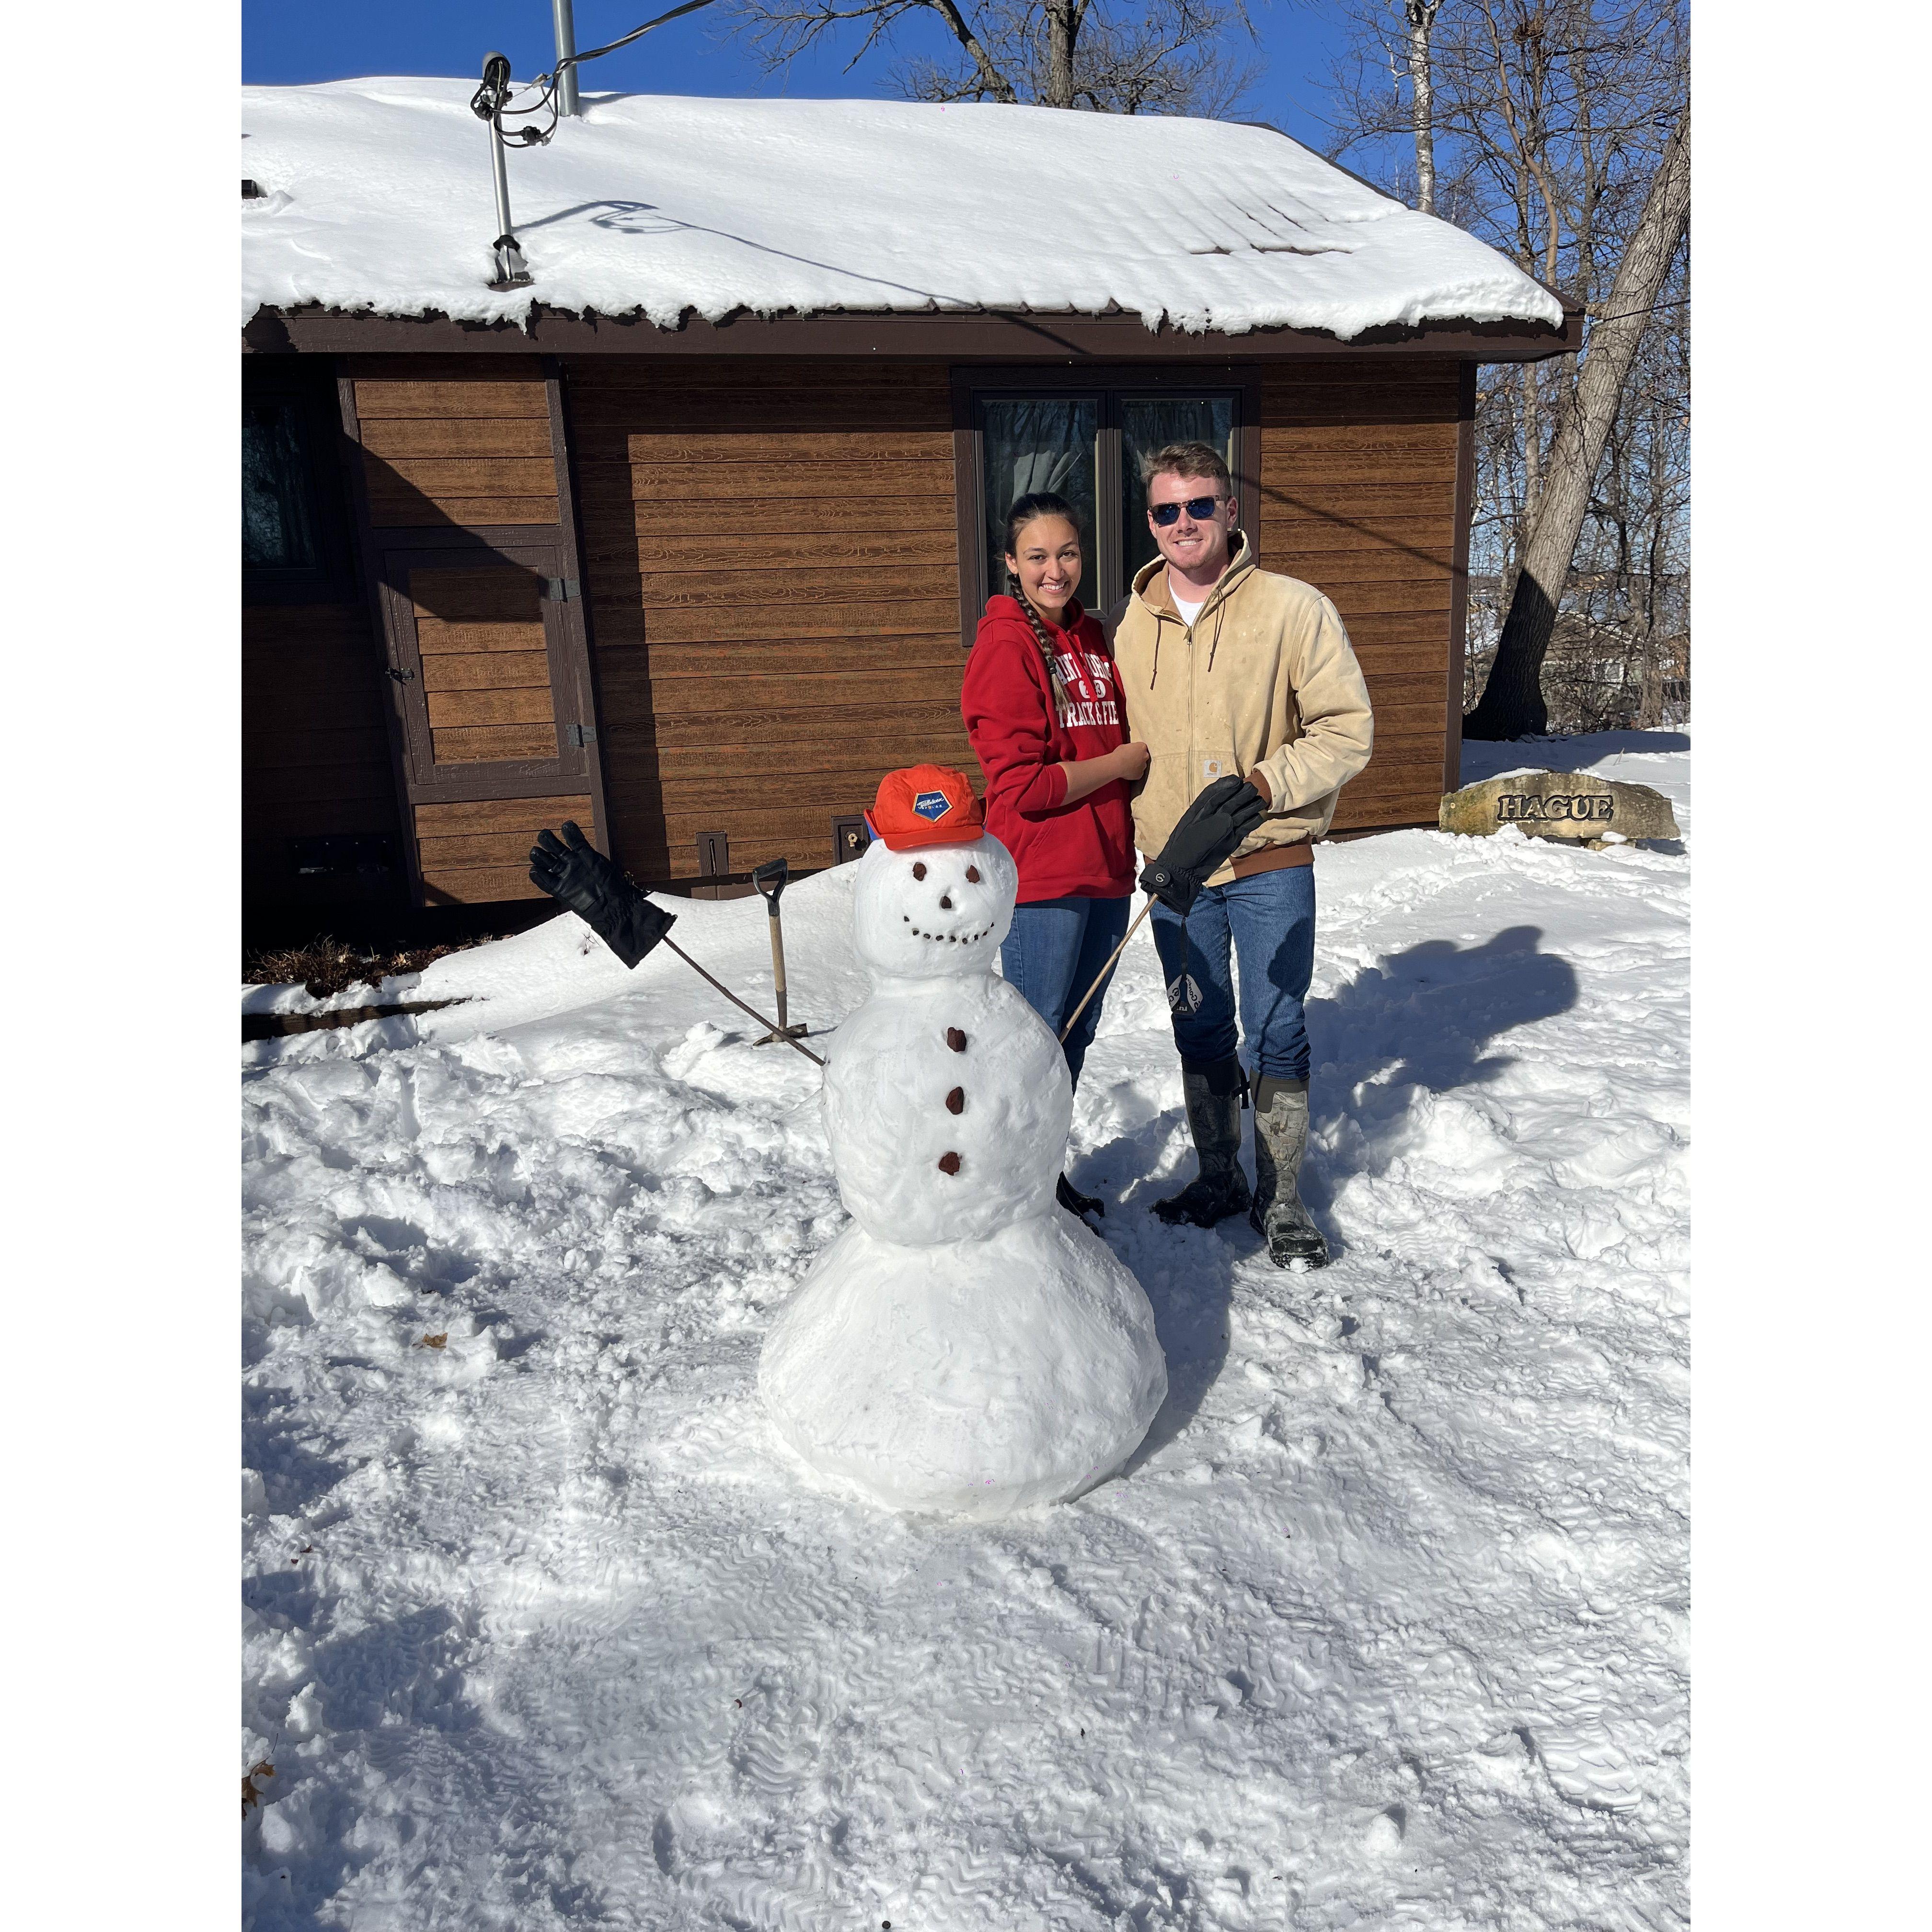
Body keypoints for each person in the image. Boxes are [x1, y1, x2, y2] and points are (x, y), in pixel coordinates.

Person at [1112, 441, 1374, 1269]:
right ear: (1150, 522)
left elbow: (1347, 729)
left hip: (1269, 862)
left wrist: (1265, 784)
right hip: (1177, 873)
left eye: (1200, 506)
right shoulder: (1131, 624)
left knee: (1279, 1032)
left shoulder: (1293, 608)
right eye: (1167, 510)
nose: (1184, 523)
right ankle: (1220, 1176)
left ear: (1230, 511)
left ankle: (1283, 1197)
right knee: (1199, 1028)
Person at [961, 491, 1150, 1223]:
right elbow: (1024, 785)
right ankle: (1011, 1182)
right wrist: (1119, 764)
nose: (1055, 569)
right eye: (1037, 556)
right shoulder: (1005, 645)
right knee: (1037, 1037)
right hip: (1044, 876)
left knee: (1073, 1036)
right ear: (1011, 564)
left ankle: (1040, 1168)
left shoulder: (1094, 637)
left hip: (1103, 868)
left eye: (1067, 553)